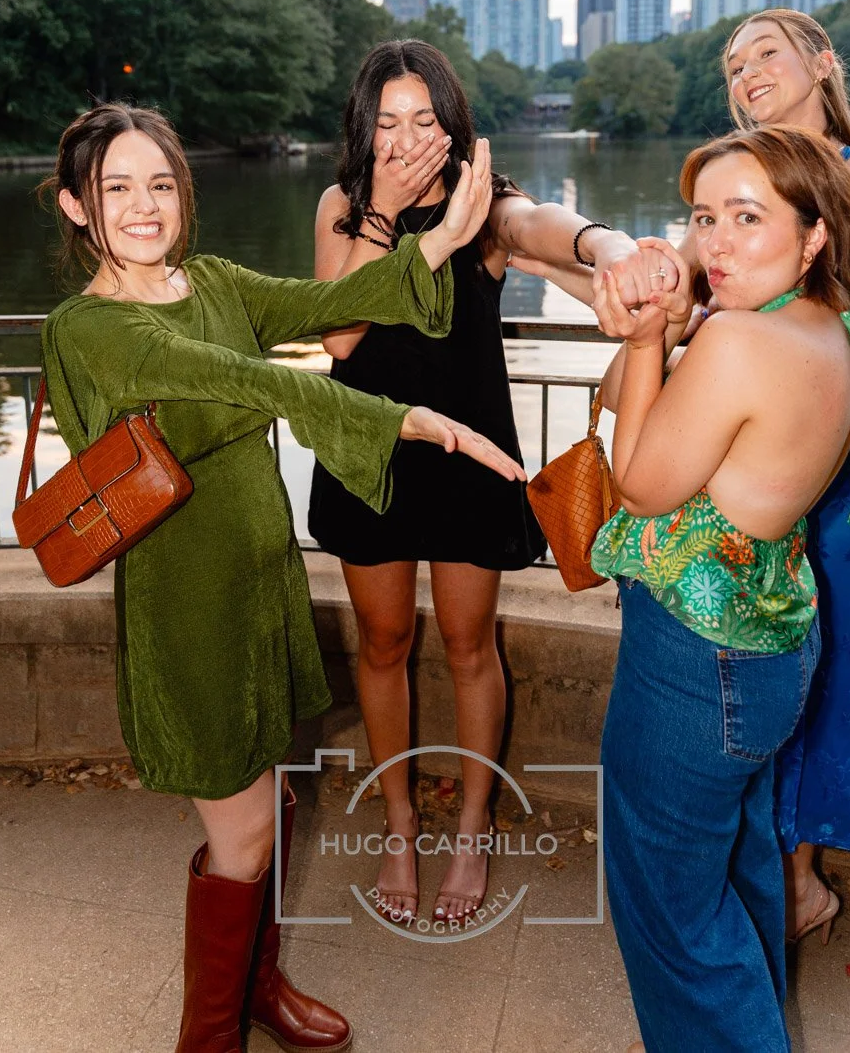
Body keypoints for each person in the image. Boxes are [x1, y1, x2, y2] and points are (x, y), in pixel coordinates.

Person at [39, 102, 527, 1053]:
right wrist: (404, 419)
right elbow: (249, 383)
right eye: (116, 189)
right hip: (188, 598)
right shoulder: (86, 327)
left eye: (161, 183)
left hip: (258, 576)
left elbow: (323, 311)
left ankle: (260, 987)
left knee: (268, 791)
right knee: (242, 833)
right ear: (74, 206)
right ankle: (209, 1034)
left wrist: (438, 245)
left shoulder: (214, 281)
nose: (145, 206)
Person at [307, 38, 671, 925]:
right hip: (372, 456)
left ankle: (471, 828)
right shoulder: (343, 207)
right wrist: (387, 214)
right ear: (365, 127)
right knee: (383, 643)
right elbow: (341, 337)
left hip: (471, 459)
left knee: (472, 646)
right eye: (387, 122)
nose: (405, 139)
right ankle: (398, 824)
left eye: (424, 119)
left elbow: (540, 226)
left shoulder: (485, 205)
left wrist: (609, 241)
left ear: (451, 122)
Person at [588, 126, 850, 1053]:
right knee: (745, 863)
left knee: (672, 910)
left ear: (813, 236)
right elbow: (618, 396)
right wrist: (668, 321)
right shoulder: (830, 325)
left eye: (747, 218)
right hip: (770, 653)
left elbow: (637, 480)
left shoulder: (741, 343)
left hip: (697, 663)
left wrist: (649, 338)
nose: (714, 242)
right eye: (703, 217)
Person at [723, 11, 850, 942]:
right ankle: (767, 862)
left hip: (846, 446)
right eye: (733, 63)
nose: (745, 71)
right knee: (765, 627)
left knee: (827, 639)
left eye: (765, 54)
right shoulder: (750, 183)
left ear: (821, 63)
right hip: (769, 429)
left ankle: (799, 878)